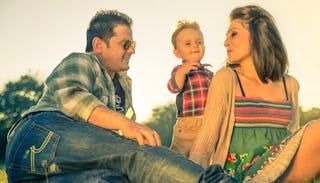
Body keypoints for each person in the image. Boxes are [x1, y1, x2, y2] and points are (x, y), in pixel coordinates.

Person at [5, 9, 236, 183]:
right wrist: (127, 126)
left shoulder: (123, 85)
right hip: (37, 139)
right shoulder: (83, 61)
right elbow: (72, 98)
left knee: (114, 179)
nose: (132, 50)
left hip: (45, 174)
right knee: (135, 154)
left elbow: (107, 144)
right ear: (98, 45)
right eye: (125, 44)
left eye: (132, 44)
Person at [189, 5, 320, 182]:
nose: (226, 42)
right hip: (241, 176)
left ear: (259, 33)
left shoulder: (290, 85)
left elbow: (293, 140)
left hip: (283, 169)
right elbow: (205, 142)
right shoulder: (227, 78)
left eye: (233, 34)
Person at [167, 20, 213, 158]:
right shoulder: (180, 70)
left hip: (208, 124)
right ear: (177, 53)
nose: (195, 46)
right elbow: (173, 87)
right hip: (188, 125)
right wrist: (183, 71)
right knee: (179, 159)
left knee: (201, 161)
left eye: (199, 42)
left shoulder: (209, 73)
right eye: (188, 44)